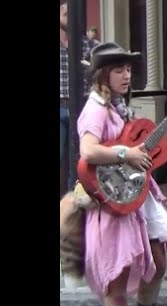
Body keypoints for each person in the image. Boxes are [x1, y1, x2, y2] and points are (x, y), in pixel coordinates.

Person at [76, 41, 167, 306]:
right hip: (113, 200)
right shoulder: (95, 109)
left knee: (157, 264)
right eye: (119, 69)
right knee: (117, 272)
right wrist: (124, 154)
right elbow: (88, 151)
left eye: (129, 69)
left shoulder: (119, 107)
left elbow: (150, 146)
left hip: (136, 196)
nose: (126, 75)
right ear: (103, 74)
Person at [60, 0, 98, 197]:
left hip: (81, 108)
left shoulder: (90, 45)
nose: (70, 18)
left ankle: (72, 202)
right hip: (59, 106)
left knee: (78, 160)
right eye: (66, 14)